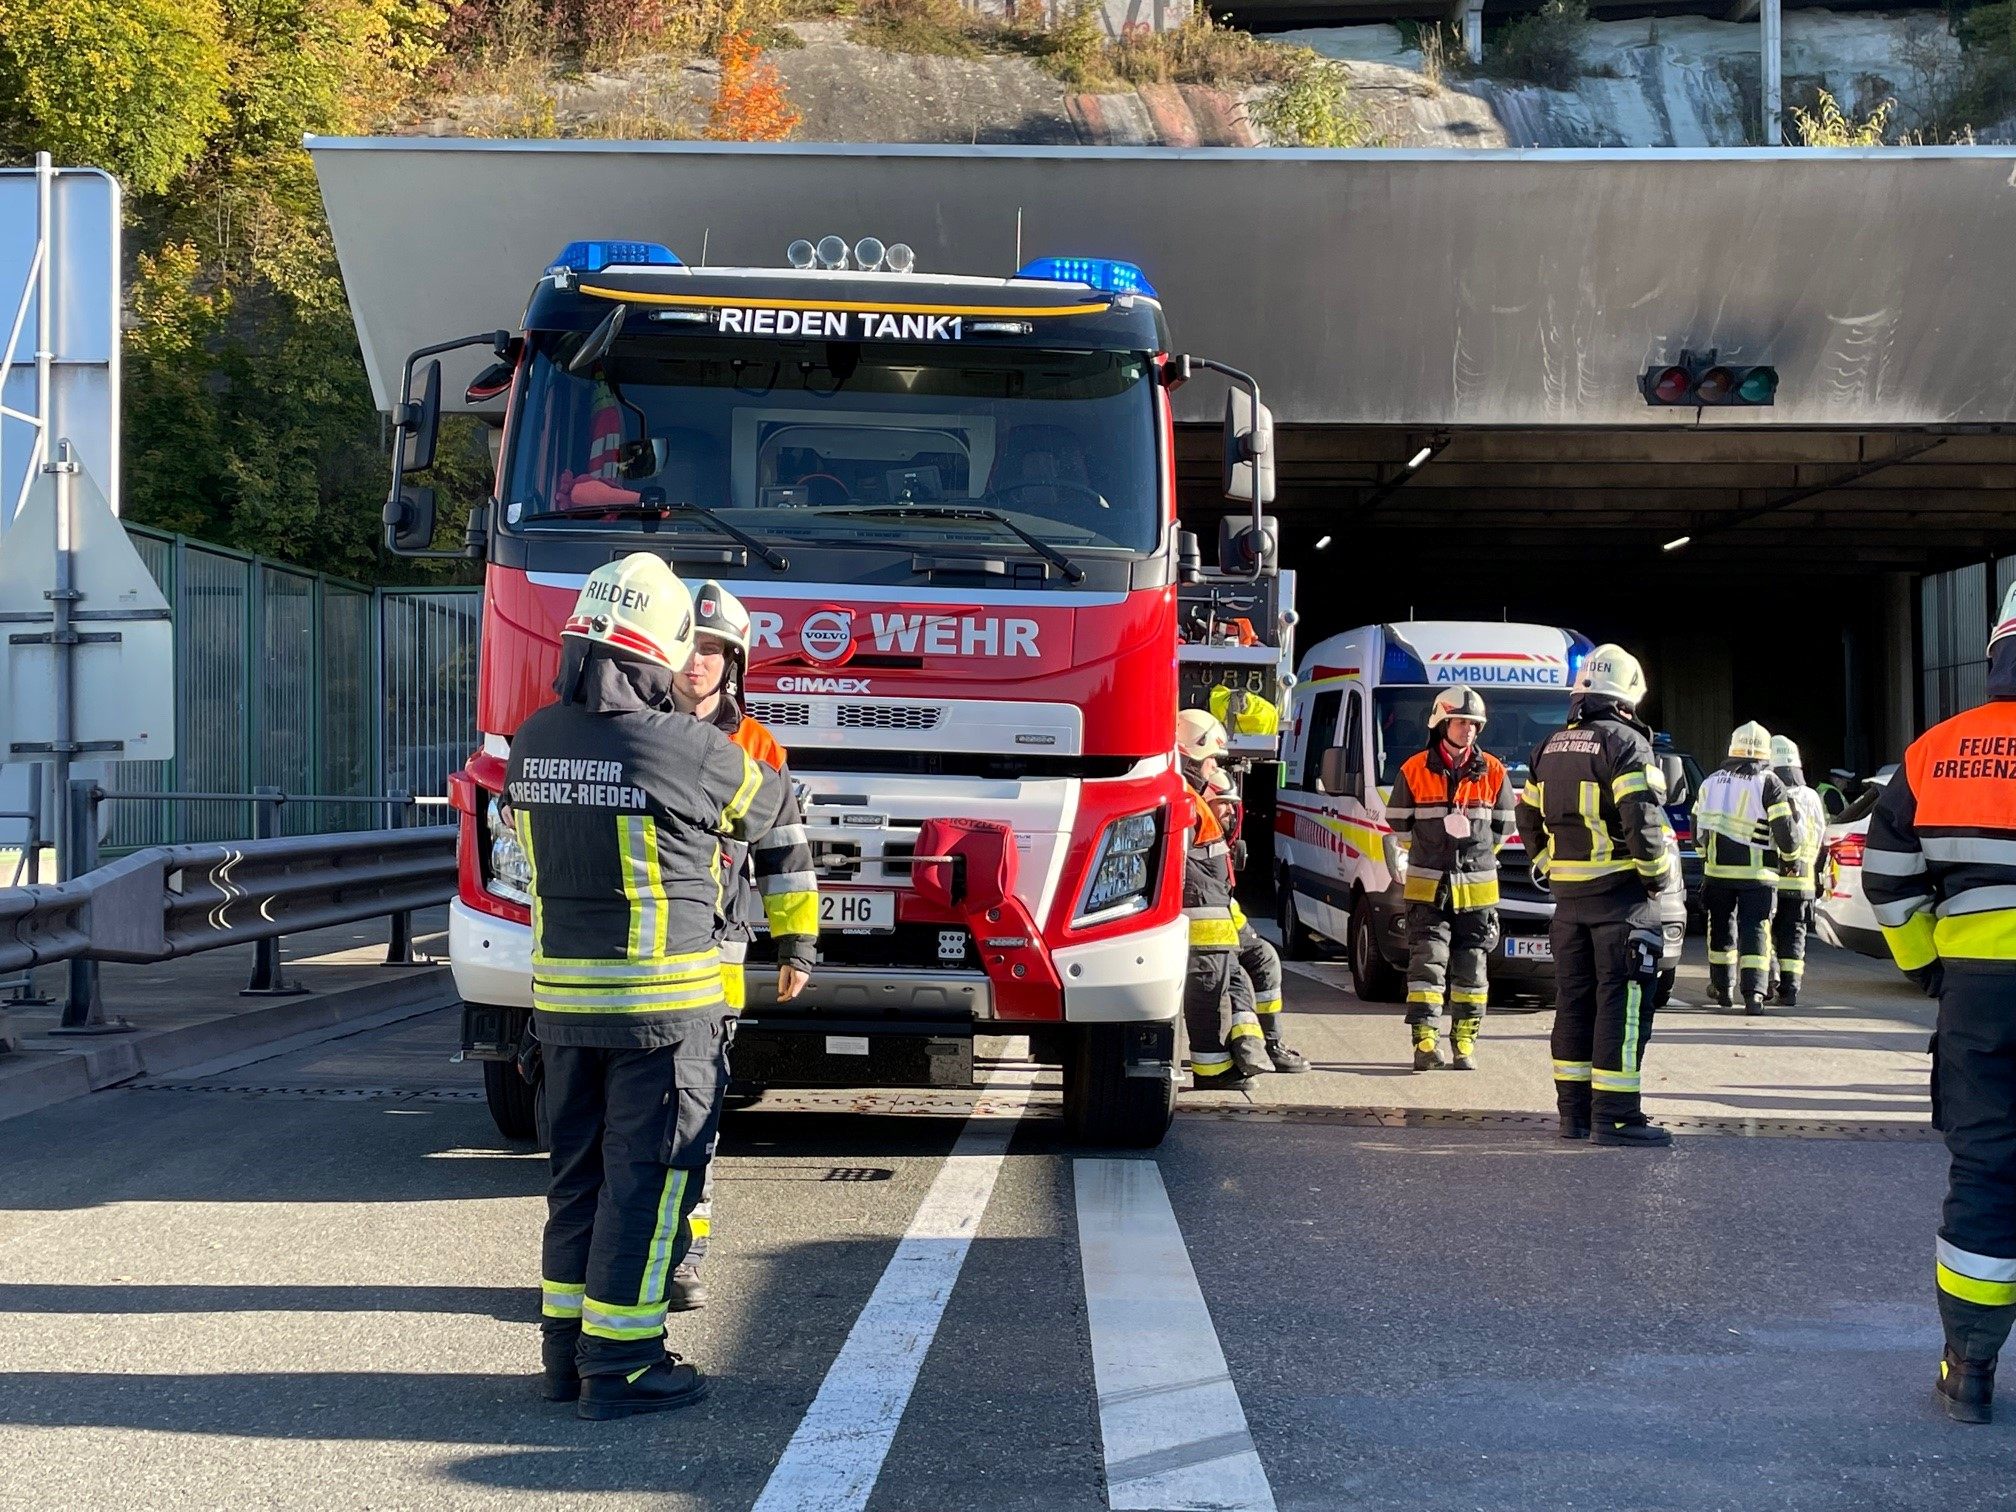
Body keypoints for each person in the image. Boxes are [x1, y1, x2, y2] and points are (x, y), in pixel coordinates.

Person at [508, 553, 792, 1419]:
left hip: (562, 1012)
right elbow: (774, 812)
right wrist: (797, 936)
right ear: (658, 652)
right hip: (662, 1018)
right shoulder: (692, 748)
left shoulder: (533, 740)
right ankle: (624, 1364)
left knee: (578, 1183)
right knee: (651, 1183)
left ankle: (565, 1357)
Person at [1865, 580, 2016, 1425]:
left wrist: (1931, 967)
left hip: (1979, 995)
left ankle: (1970, 1372)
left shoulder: (1937, 751)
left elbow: (1888, 880)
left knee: (1986, 1170)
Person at [664, 580, 819, 1313]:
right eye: (688, 647)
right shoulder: (631, 729)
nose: (697, 662)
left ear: (734, 664)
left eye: (714, 650)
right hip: (640, 959)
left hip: (715, 959)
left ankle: (684, 1255)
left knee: (697, 1116)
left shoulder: (756, 747)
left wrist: (797, 945)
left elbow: (785, 852)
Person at [1516, 644, 1674, 1147]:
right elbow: (1641, 819)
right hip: (1622, 902)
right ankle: (1617, 1118)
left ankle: (1574, 1116)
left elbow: (1526, 817)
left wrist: (1549, 866)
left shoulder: (1548, 747)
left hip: (1568, 905)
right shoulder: (1627, 743)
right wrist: (1657, 877)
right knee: (1621, 1009)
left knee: (1574, 1005)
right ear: (1627, 697)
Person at [1386, 684, 1517, 1072]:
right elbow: (1399, 825)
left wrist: (1473, 858)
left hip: (1477, 892)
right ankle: (1425, 1042)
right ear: (1442, 724)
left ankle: (1464, 1043)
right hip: (1427, 889)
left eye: (1474, 724)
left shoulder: (1494, 771)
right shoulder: (1413, 769)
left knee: (1472, 969)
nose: (1469, 729)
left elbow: (1502, 828)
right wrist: (1430, 853)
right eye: (1461, 722)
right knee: (1427, 966)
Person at [1177, 709, 1272, 1087]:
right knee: (1208, 992)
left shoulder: (1189, 798)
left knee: (1231, 982)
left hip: (1211, 922)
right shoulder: (1182, 800)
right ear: (1190, 756)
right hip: (1200, 923)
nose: (1214, 768)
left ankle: (1245, 1053)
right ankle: (1212, 1071)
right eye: (1210, 760)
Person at [1205, 766, 1310, 1074]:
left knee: (1265, 957)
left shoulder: (1216, 841)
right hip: (1202, 935)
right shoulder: (1194, 835)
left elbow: (1224, 898)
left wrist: (1244, 933)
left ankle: (1272, 1043)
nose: (1230, 811)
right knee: (1234, 976)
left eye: (1232, 805)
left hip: (1226, 924)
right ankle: (1247, 1050)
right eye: (1223, 803)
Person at [1693, 722, 1800, 1016]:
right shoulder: (1769, 782)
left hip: (1717, 873)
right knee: (1756, 930)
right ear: (1765, 752)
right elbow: (1785, 829)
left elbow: (1697, 826)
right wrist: (1791, 859)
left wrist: (1705, 859)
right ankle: (1754, 995)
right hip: (1758, 876)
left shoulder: (1711, 782)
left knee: (1720, 929)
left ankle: (1723, 989)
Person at [1768, 734, 1829, 1007]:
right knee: (1794, 935)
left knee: (1765, 932)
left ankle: (1767, 982)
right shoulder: (1812, 796)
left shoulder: (1769, 793)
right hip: (1803, 881)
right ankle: (1790, 990)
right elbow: (1821, 834)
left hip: (1772, 877)